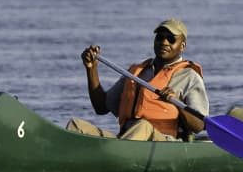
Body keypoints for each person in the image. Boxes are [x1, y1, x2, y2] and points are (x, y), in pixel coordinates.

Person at [68, 18, 208, 141]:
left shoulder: (189, 76)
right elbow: (101, 107)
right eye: (160, 37)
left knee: (143, 126)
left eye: (171, 39)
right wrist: (91, 69)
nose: (164, 42)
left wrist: (177, 104)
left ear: (182, 45)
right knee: (76, 125)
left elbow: (199, 125)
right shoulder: (136, 72)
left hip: (164, 143)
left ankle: (115, 157)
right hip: (126, 139)